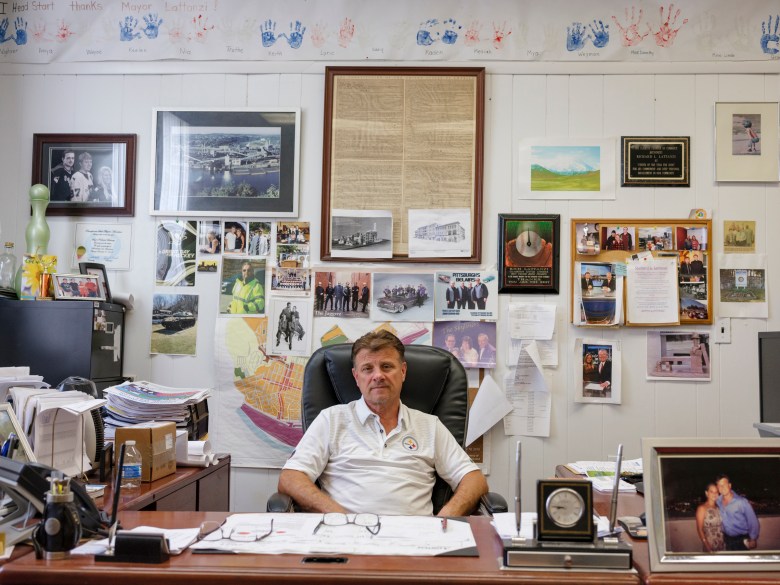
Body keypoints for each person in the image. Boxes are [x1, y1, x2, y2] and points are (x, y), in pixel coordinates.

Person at [277, 331, 489, 516]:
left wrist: (445, 519)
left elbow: (474, 480)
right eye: (368, 369)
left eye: (387, 366)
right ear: (356, 376)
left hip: (414, 544)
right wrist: (338, 517)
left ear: (403, 371)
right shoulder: (331, 419)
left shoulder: (429, 425)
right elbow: (290, 478)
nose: (378, 375)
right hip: (346, 537)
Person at [716, 474, 759, 550]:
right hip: (726, 539)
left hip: (741, 539)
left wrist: (753, 538)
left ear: (729, 485)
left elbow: (752, 521)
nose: (722, 488)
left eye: (724, 485)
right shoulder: (718, 501)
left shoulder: (741, 502)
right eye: (719, 486)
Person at [696, 482, 725, 553]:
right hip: (710, 544)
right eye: (711, 491)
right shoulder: (702, 508)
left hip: (722, 543)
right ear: (706, 493)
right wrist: (706, 545)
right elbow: (699, 529)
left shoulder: (719, 507)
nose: (714, 494)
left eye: (716, 492)